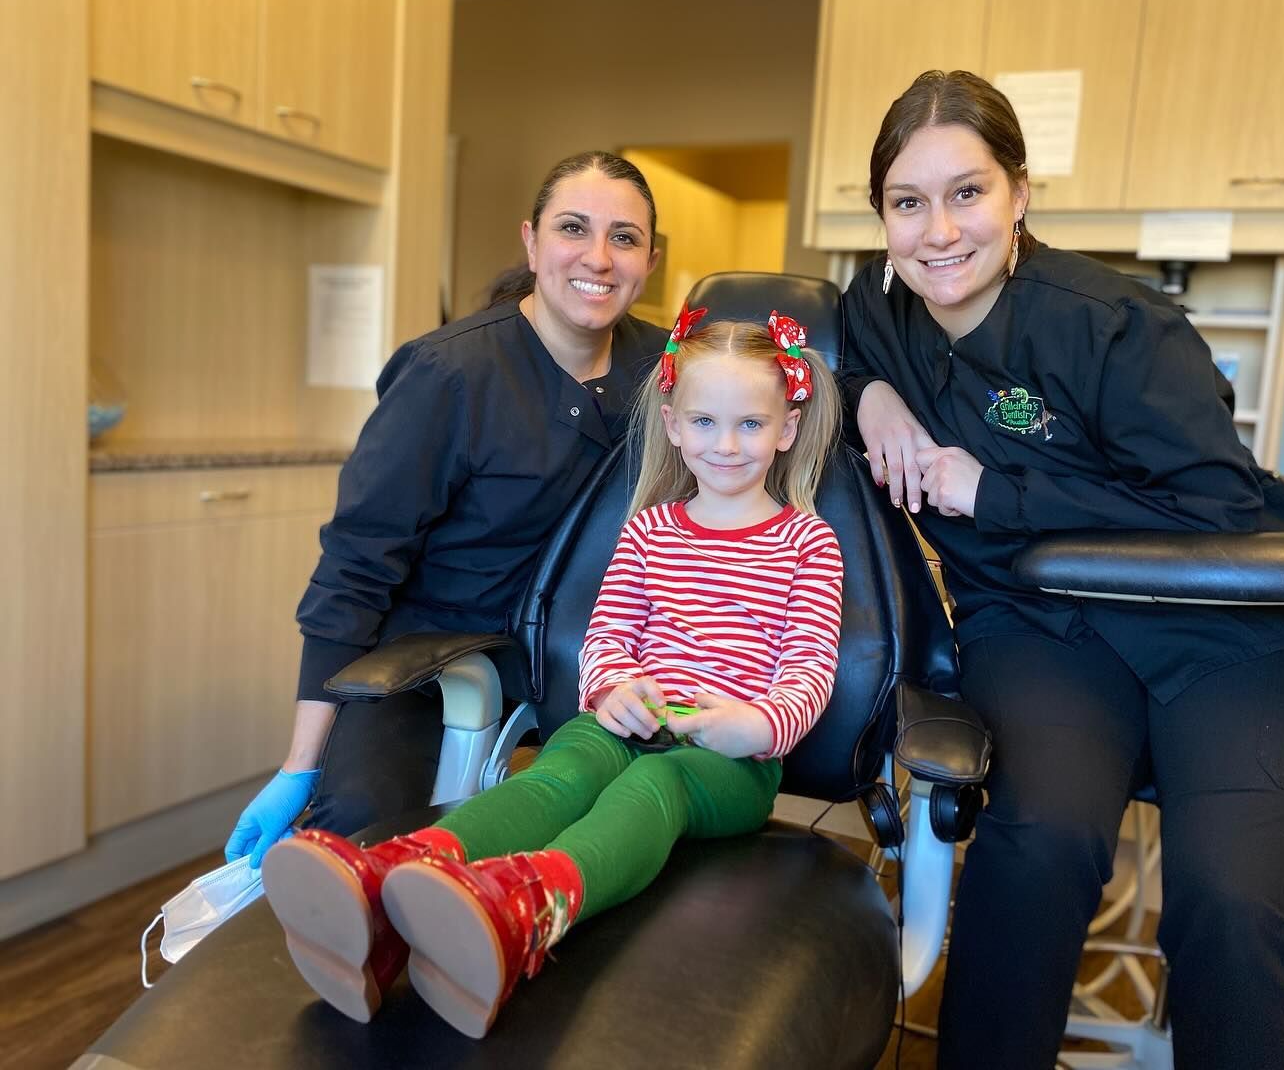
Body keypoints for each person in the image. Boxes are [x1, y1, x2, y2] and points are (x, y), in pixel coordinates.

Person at [842, 71, 1284, 1070]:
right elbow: (846, 345)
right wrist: (872, 402)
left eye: (968, 193)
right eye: (909, 202)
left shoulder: (1115, 325)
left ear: (1020, 193)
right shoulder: (880, 304)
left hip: (1230, 632)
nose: (939, 230)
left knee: (1230, 906)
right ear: (883, 218)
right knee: (1033, 858)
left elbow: (1215, 508)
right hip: (1042, 631)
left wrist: (995, 492)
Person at [259, 313, 845, 1037]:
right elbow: (608, 637)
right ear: (672, 423)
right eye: (705, 422)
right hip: (630, 722)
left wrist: (753, 725)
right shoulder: (649, 529)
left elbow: (810, 669)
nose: (726, 445)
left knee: (654, 785)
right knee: (558, 769)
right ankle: (396, 878)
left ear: (787, 428)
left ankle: (529, 911)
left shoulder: (807, 543)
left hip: (731, 761)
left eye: (750, 426)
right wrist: (614, 690)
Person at [224, 152, 668, 869]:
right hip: (432, 652)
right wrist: (299, 765)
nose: (598, 257)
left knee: (631, 837)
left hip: (590, 654)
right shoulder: (448, 375)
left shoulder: (665, 366)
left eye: (624, 237)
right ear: (530, 241)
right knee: (355, 837)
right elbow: (355, 568)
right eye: (573, 228)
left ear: (650, 256)